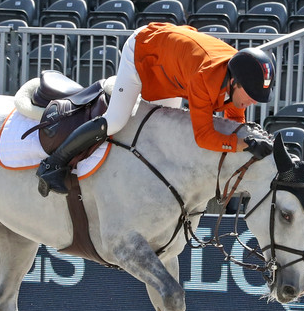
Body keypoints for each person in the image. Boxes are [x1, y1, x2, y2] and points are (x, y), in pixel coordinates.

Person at [37, 22, 276, 196]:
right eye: (252, 95)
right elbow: (203, 137)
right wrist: (242, 145)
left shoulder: (236, 78)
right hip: (143, 51)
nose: (254, 102)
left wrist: (249, 142)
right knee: (116, 121)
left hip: (173, 67)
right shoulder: (205, 78)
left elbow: (235, 122)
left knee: (161, 132)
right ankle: (53, 164)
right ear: (234, 82)